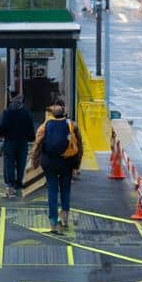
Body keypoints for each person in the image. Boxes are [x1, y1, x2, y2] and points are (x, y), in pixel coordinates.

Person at [31, 99, 82, 234]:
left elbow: (37, 144)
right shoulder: (72, 125)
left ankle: (53, 223)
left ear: (52, 114)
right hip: (67, 163)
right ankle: (64, 217)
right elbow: (79, 147)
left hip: (49, 163)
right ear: (64, 112)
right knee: (65, 189)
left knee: (52, 192)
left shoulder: (45, 126)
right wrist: (77, 165)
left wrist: (34, 162)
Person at [0, 92, 34, 197]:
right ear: (21, 100)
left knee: (9, 164)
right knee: (21, 164)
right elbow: (30, 128)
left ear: (11, 99)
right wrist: (31, 138)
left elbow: (2, 126)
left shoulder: (7, 112)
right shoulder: (26, 113)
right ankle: (19, 184)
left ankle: (10, 185)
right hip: (22, 142)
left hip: (9, 142)